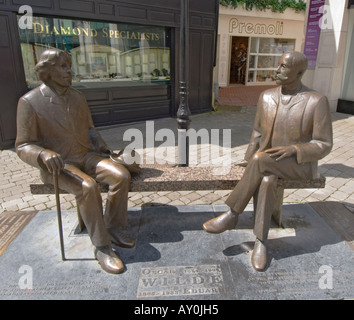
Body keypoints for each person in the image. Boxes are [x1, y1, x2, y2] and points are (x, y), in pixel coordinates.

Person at [203, 51, 333, 271]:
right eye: (278, 66)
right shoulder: (266, 96)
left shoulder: (316, 101)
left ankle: (232, 214)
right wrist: (248, 162)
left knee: (261, 162)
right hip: (266, 163)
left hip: (298, 165)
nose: (277, 71)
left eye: (284, 67)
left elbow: (324, 144)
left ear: (299, 72)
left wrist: (295, 149)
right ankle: (261, 242)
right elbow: (257, 132)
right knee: (266, 181)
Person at [15, 48, 134, 274]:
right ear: (47, 71)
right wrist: (42, 154)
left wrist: (105, 148)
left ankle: (113, 226)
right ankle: (102, 246)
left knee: (121, 176)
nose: (69, 71)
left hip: (86, 156)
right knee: (87, 187)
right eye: (63, 67)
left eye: (70, 66)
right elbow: (22, 146)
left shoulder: (78, 97)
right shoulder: (29, 102)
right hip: (58, 166)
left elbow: (89, 130)